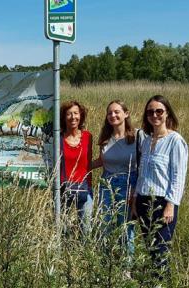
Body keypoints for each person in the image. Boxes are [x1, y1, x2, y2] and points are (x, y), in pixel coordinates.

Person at [134, 95, 188, 282]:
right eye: (150, 112)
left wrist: (171, 205)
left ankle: (160, 283)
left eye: (159, 111)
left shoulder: (175, 140)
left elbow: (178, 176)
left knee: (161, 252)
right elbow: (141, 173)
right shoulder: (146, 140)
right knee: (150, 250)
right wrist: (135, 199)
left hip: (162, 202)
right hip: (143, 201)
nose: (154, 115)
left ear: (167, 113)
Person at [94, 100, 142, 267]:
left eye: (116, 112)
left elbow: (144, 163)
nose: (113, 115)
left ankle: (125, 268)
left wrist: (135, 191)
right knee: (104, 224)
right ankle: (105, 265)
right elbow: (101, 161)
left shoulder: (137, 136)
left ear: (126, 114)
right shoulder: (106, 138)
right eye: (109, 113)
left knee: (125, 227)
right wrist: (76, 165)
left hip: (129, 183)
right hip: (106, 184)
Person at [60, 101, 93, 235]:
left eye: (76, 113)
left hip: (84, 188)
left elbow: (89, 162)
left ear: (81, 115)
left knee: (86, 229)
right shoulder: (58, 137)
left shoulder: (88, 137)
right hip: (62, 188)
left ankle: (84, 254)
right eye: (68, 114)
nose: (73, 117)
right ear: (63, 117)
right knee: (62, 229)